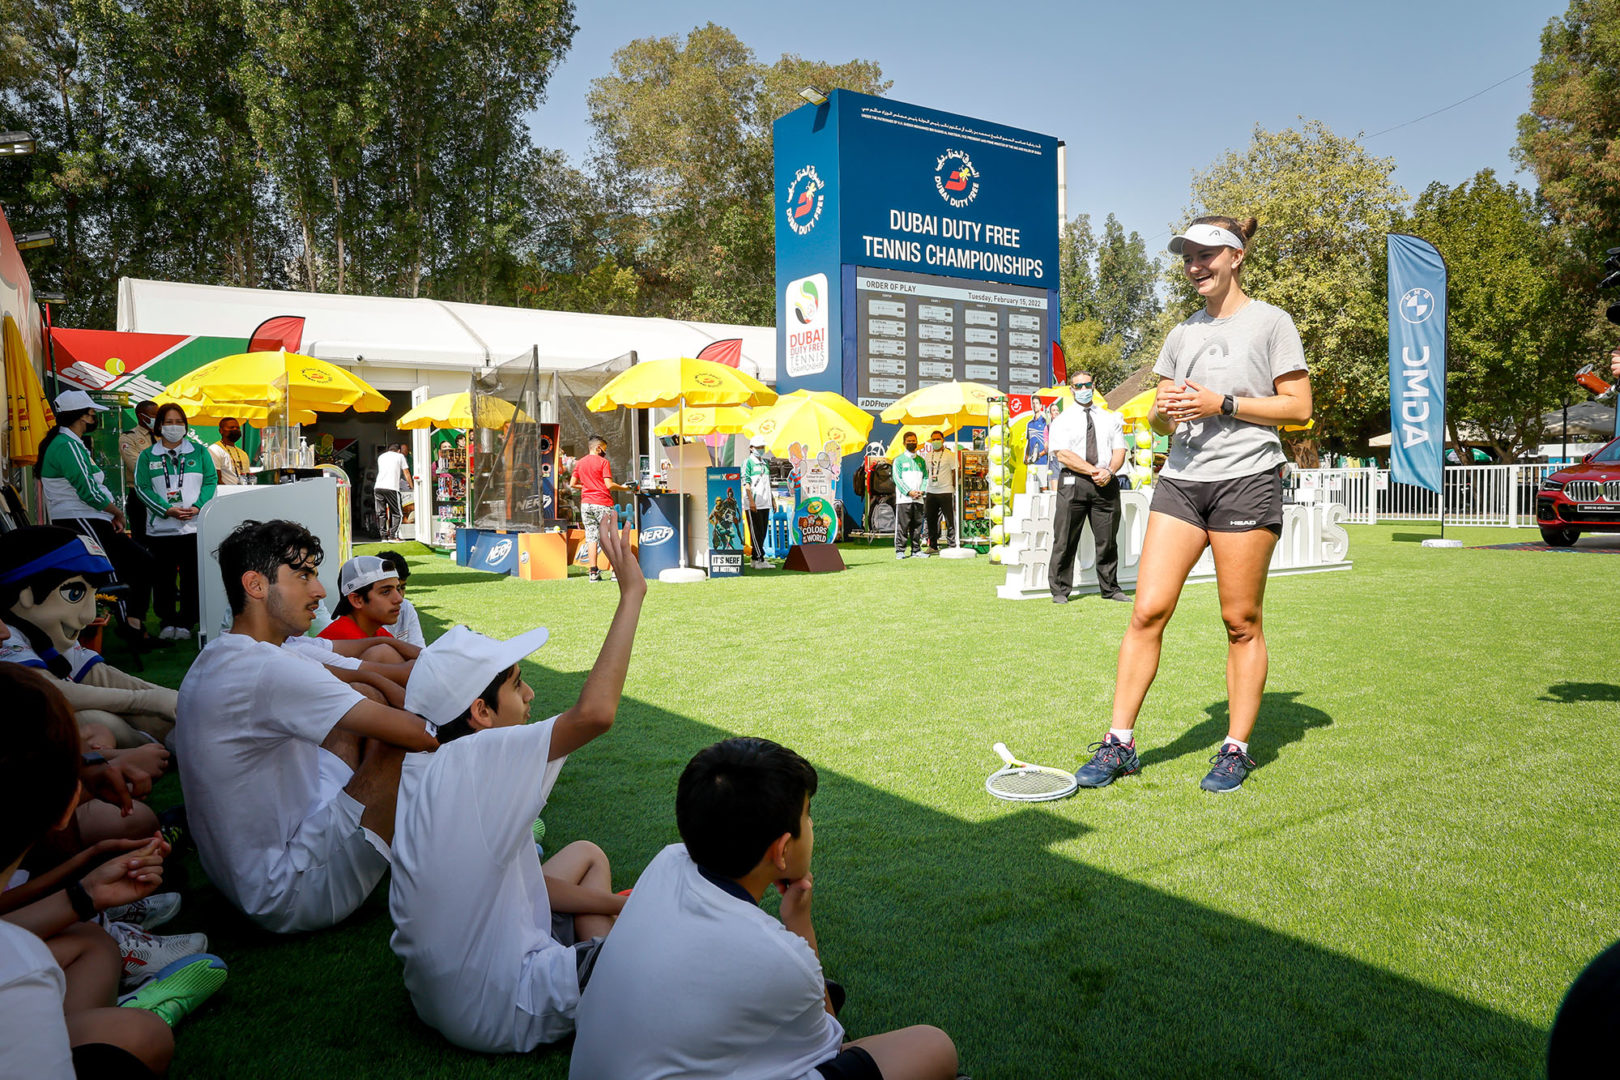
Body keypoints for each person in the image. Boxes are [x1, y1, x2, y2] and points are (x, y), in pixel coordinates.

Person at [1073, 216, 1311, 795]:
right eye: (1187, 256)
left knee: (1240, 622)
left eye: (1206, 254)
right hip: (1181, 480)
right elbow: (1155, 415)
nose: (1194, 265)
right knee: (1147, 610)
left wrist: (1220, 402)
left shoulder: (1272, 322)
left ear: (1235, 257)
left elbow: (1298, 406)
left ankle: (1235, 749)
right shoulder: (1181, 333)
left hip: (1247, 479)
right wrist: (1168, 405)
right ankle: (1120, 743)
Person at [389, 518, 645, 1052]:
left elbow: (527, 882)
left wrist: (619, 908)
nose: (529, 695)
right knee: (681, 929)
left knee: (586, 855)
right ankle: (610, 983)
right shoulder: (479, 758)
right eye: (516, 683)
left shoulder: (429, 760)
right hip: (500, 1006)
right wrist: (631, 595)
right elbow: (595, 714)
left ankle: (601, 964)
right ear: (479, 712)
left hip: (441, 996)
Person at [569, 736, 960, 1080]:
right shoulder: (779, 957)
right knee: (932, 1046)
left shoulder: (667, 860)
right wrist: (799, 923)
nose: (811, 825)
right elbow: (833, 1046)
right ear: (781, 849)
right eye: (808, 817)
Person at [174, 519, 438, 933]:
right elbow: (418, 734)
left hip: (246, 872)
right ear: (256, 586)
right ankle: (453, 832)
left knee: (367, 703)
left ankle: (422, 824)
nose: (319, 591)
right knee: (405, 743)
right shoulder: (267, 667)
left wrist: (378, 680)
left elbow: (364, 668)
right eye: (303, 576)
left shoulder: (229, 652)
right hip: (288, 891)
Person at [0, 664, 227, 1079]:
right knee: (141, 1035)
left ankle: (106, 938)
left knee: (93, 944)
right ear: (71, 803)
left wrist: (85, 888)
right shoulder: (20, 970)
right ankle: (122, 1005)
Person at [38, 389, 159, 650]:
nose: (95, 417)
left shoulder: (68, 442)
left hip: (89, 519)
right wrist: (115, 512)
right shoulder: (67, 445)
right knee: (115, 573)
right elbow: (88, 490)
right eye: (92, 413)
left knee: (141, 562)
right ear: (82, 416)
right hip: (80, 519)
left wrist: (109, 515)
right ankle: (132, 631)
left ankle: (134, 624)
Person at [132, 403, 217, 641]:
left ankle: (188, 621)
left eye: (179, 422)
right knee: (163, 579)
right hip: (161, 529)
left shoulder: (199, 452)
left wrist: (199, 506)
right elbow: (142, 487)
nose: (174, 427)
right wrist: (166, 510)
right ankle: (167, 620)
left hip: (194, 527)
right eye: (169, 422)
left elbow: (210, 481)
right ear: (159, 425)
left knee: (192, 578)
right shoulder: (147, 455)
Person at [1046, 371, 1129, 605]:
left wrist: (1109, 472)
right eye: (1078, 386)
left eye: (1087, 385)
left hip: (1106, 482)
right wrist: (1093, 471)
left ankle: (1110, 588)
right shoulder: (1062, 420)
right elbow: (1063, 454)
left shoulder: (1109, 418)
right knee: (1064, 538)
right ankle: (1060, 590)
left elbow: (1119, 450)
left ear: (1094, 386)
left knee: (1108, 539)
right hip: (1075, 482)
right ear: (1071, 389)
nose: (1083, 389)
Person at [571, 435, 632, 582]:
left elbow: (573, 483)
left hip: (586, 504)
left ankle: (593, 572)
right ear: (598, 448)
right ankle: (615, 572)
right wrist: (624, 488)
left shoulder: (580, 463)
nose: (605, 451)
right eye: (604, 448)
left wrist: (587, 486)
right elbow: (609, 485)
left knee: (591, 537)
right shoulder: (603, 462)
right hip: (602, 502)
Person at [318, 556, 402, 642]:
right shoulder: (341, 642)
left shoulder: (380, 634)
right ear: (357, 600)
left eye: (398, 589)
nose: (399, 599)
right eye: (385, 592)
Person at [118, 400, 158, 544]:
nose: (158, 418)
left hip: (165, 496)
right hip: (141, 497)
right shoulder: (129, 437)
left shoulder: (165, 437)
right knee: (142, 541)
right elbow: (137, 468)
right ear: (142, 416)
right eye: (154, 415)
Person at [375, 550, 425, 647]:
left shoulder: (406, 607)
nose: (399, 597)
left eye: (402, 588)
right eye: (387, 591)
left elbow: (420, 653)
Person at [892, 432, 927, 559]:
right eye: (909, 441)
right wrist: (909, 492)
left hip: (918, 499)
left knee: (917, 526)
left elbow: (926, 478)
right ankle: (900, 551)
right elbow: (897, 478)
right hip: (904, 499)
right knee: (903, 526)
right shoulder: (899, 460)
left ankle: (916, 550)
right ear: (904, 443)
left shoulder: (921, 461)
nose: (912, 443)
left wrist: (922, 491)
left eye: (914, 441)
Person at [922, 430, 957, 554]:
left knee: (949, 519)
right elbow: (925, 472)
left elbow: (955, 471)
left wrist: (953, 486)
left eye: (938, 439)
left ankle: (952, 544)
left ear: (943, 440)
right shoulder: (927, 455)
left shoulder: (950, 455)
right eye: (933, 439)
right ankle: (933, 545)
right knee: (930, 519)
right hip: (931, 491)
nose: (936, 441)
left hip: (946, 490)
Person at [742, 434, 775, 568]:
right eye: (758, 447)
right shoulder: (748, 462)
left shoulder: (765, 463)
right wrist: (751, 501)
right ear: (751, 448)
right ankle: (759, 558)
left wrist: (772, 499)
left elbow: (768, 483)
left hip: (765, 502)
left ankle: (757, 559)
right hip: (754, 503)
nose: (761, 449)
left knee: (762, 532)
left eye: (762, 447)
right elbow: (746, 482)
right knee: (755, 532)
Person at [374, 443, 411, 541]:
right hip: (392, 487)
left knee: (381, 513)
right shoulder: (400, 456)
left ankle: (383, 536)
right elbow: (406, 472)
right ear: (398, 450)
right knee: (397, 513)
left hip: (378, 487)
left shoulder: (381, 457)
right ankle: (393, 536)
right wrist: (412, 486)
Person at [208, 417, 252, 487]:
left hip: (242, 492)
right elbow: (215, 478)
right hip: (225, 493)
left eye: (237, 428)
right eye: (231, 427)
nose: (235, 429)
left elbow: (247, 476)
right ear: (221, 431)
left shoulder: (243, 453)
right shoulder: (214, 449)